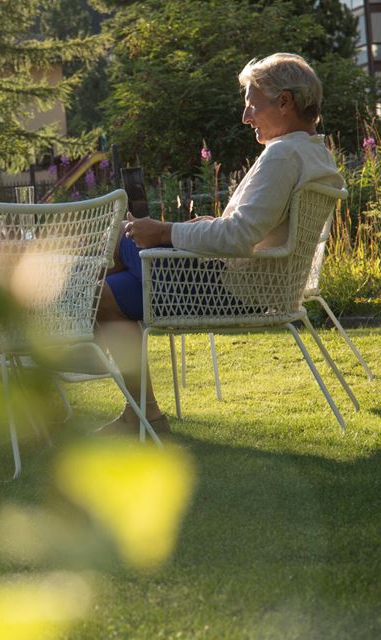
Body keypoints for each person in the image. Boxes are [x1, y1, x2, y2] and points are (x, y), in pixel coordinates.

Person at [95, 52, 345, 436]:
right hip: (246, 283)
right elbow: (250, 228)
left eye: (252, 105)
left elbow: (240, 237)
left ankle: (67, 343)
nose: (246, 117)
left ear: (285, 101)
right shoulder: (313, 151)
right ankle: (141, 414)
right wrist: (210, 224)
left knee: (116, 241)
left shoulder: (282, 155)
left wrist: (164, 232)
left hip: (229, 288)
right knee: (107, 294)